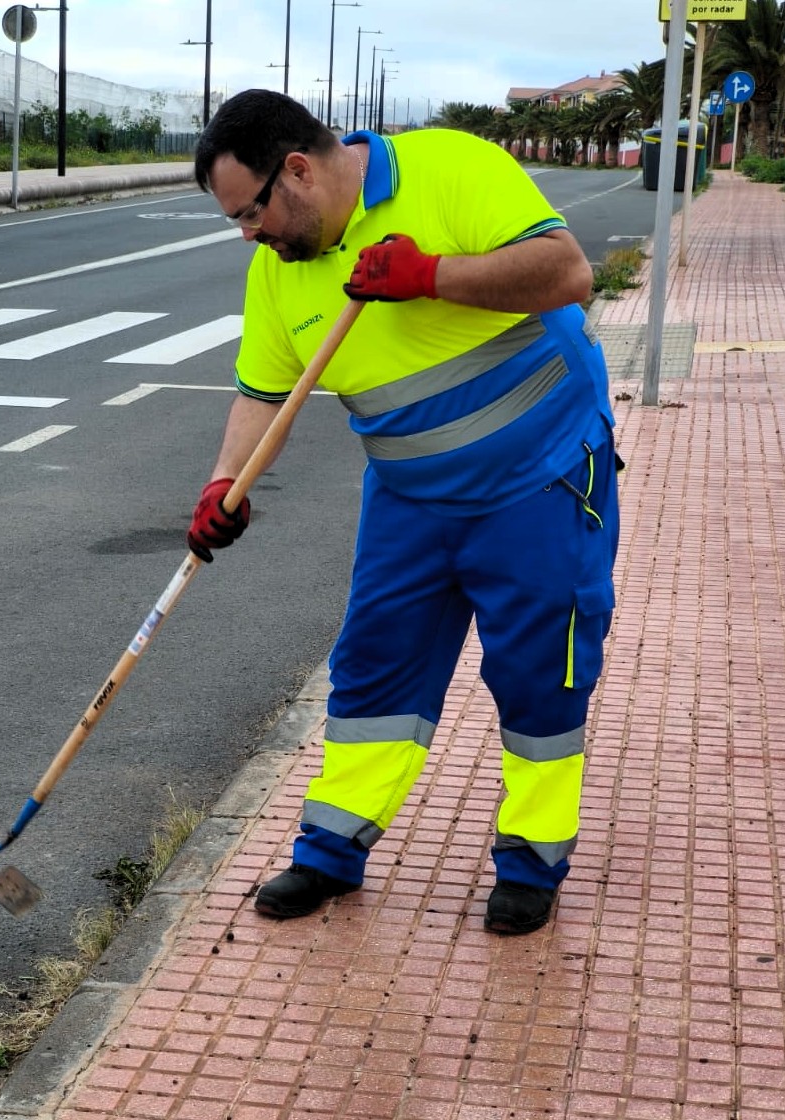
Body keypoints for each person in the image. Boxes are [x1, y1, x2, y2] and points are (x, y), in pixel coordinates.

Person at [187, 89, 619, 935]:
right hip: (409, 494)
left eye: (250, 212)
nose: (248, 233)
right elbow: (261, 392)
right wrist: (221, 484)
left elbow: (568, 273)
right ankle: (330, 851)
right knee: (374, 667)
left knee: (540, 672)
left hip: (540, 479)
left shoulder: (448, 167)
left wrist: (428, 275)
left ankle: (531, 857)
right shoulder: (280, 271)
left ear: (299, 171)